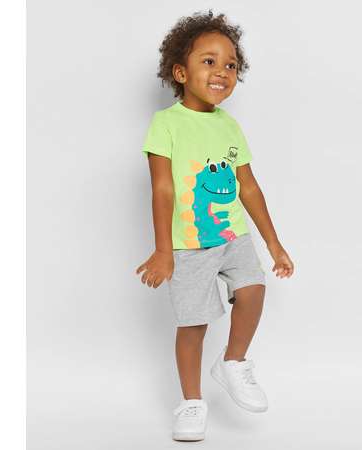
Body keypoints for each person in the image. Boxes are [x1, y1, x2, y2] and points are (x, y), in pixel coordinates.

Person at [136, 9, 294, 442]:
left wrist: (274, 244)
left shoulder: (230, 126)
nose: (222, 71)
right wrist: (164, 250)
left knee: (253, 289)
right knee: (194, 324)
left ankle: (233, 362)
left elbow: (249, 187)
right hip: (188, 244)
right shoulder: (166, 124)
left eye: (231, 65)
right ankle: (191, 402)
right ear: (180, 72)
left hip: (231, 235)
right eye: (209, 61)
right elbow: (163, 188)